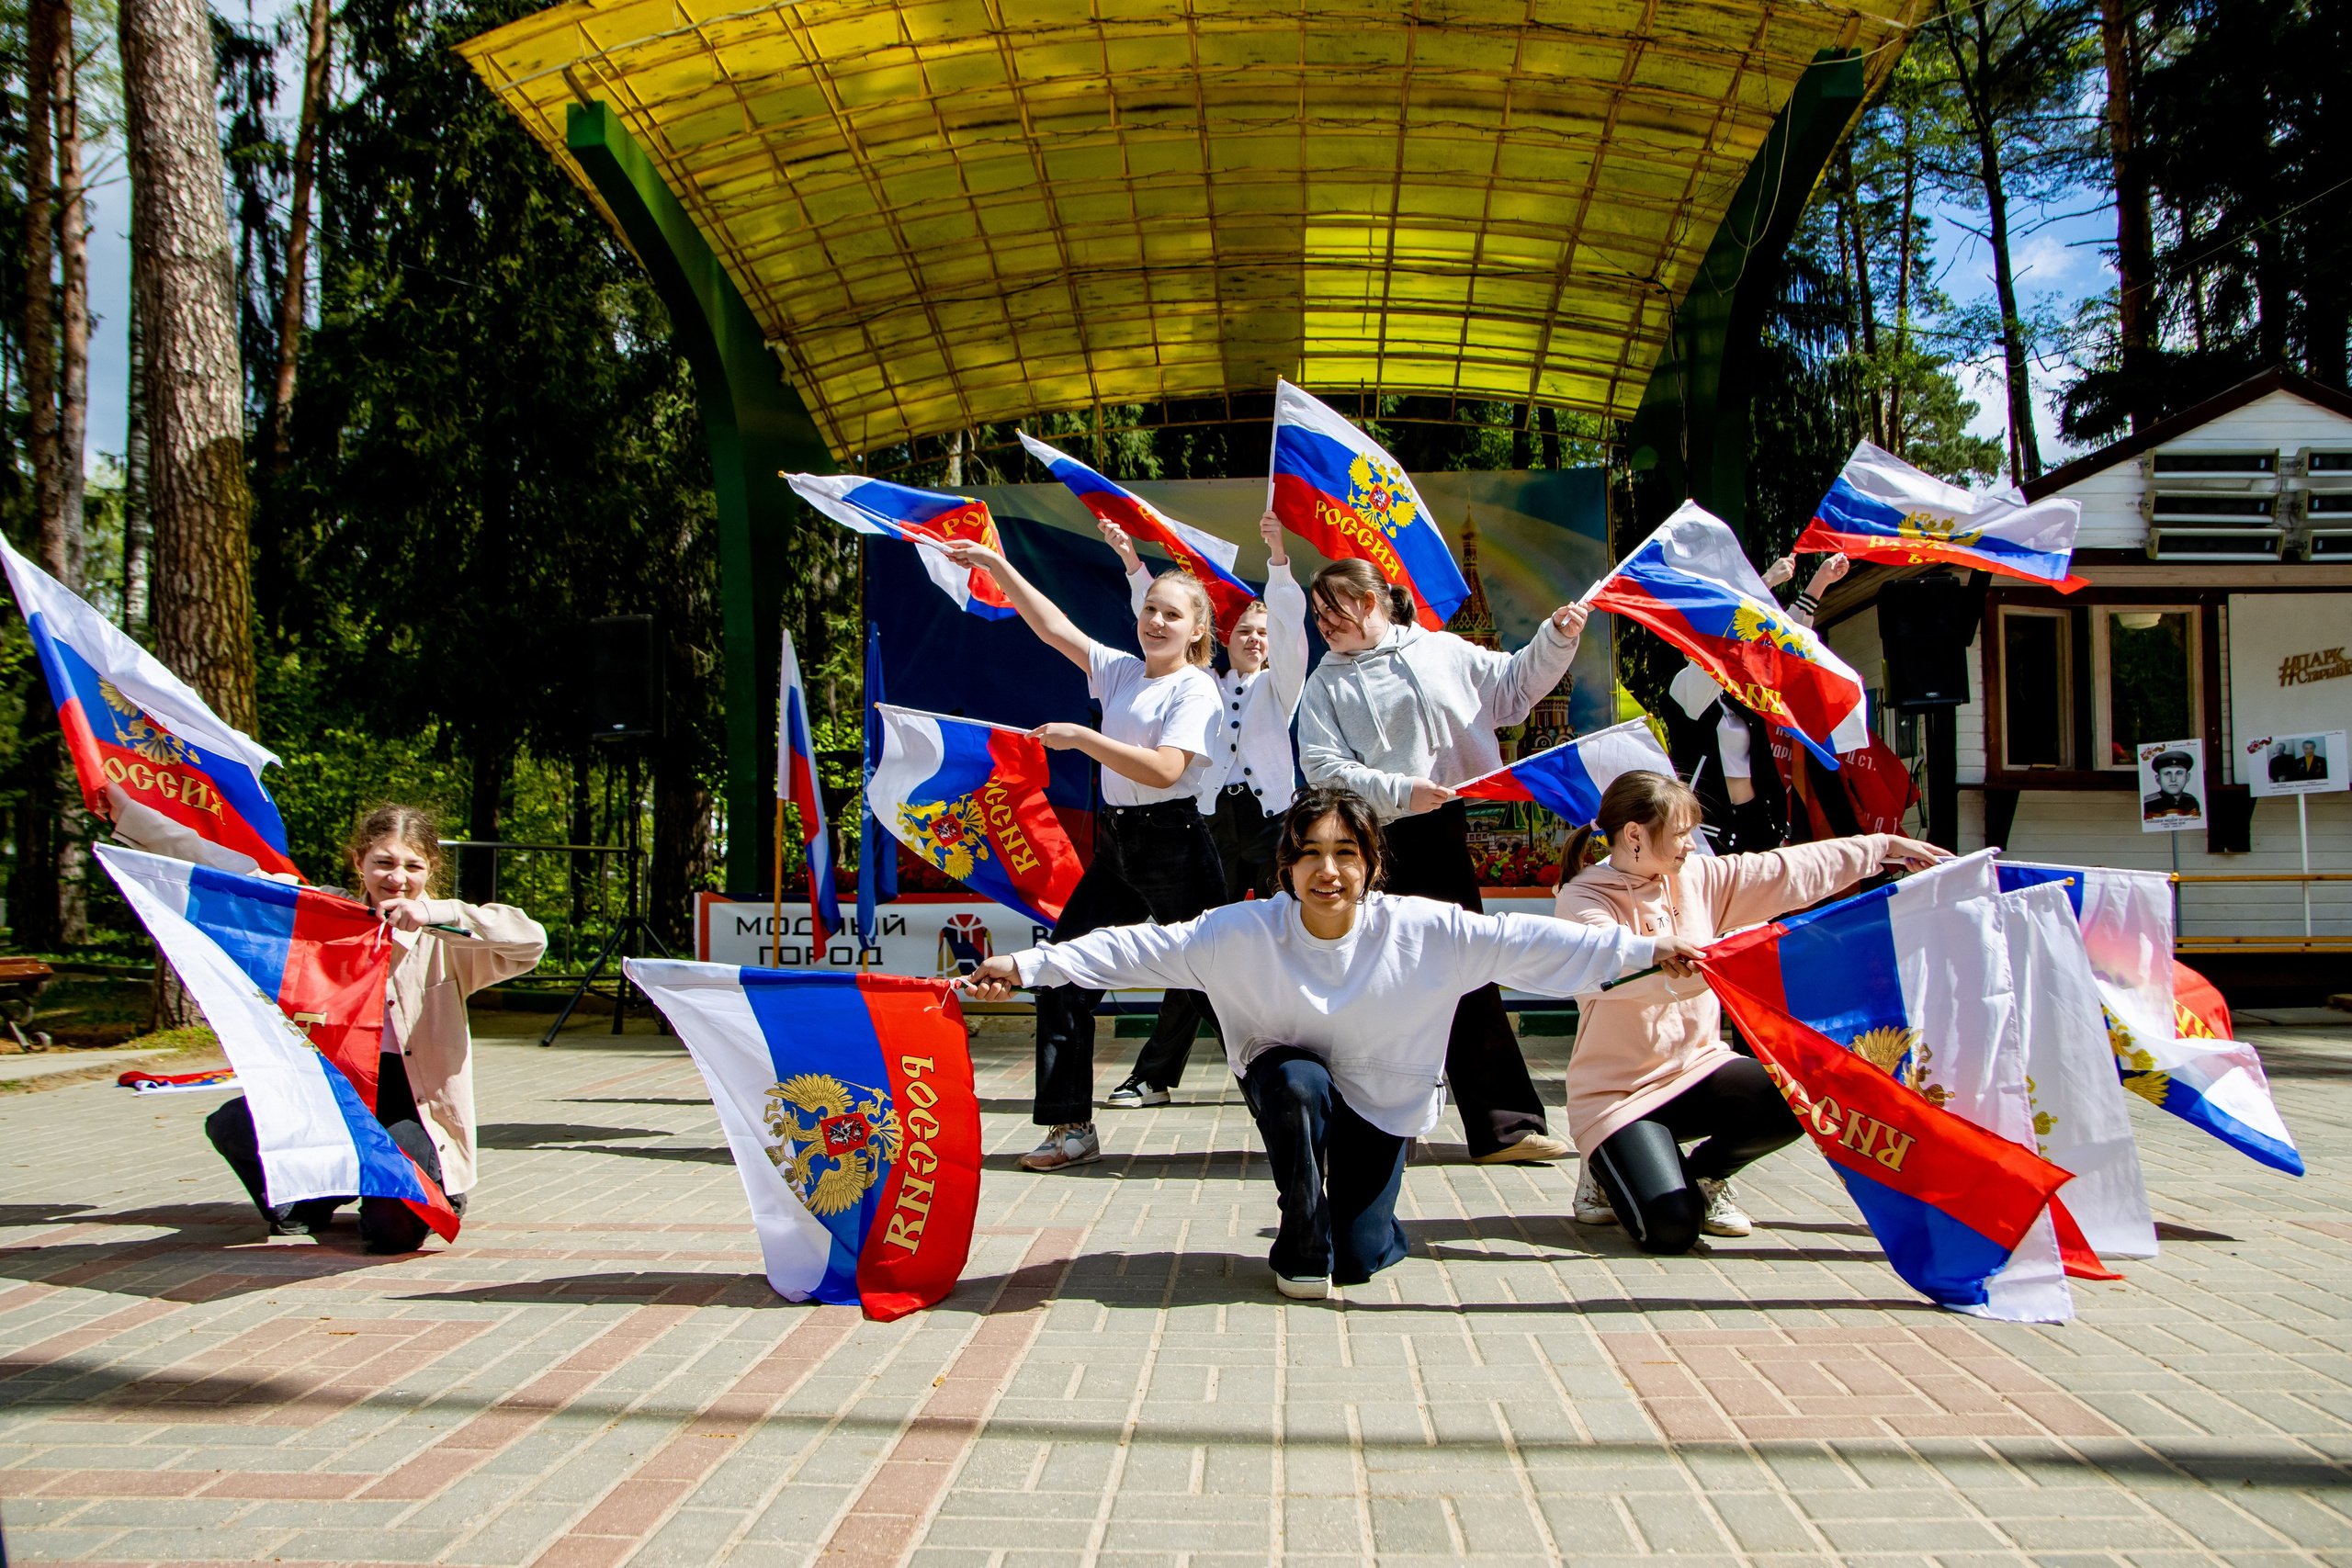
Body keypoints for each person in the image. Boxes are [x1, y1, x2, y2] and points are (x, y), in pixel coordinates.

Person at [956, 786, 1698, 1296]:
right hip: (1292, 1092)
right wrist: (1023, 965)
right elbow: (1127, 950)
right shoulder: (1239, 933)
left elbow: (1529, 943)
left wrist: (1644, 951)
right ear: (1286, 869)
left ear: (1373, 864)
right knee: (1295, 1082)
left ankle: (1360, 1225)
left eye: (1347, 852)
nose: (1328, 869)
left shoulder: (1423, 930)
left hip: (1384, 1100)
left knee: (1363, 1258)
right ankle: (1299, 1226)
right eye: (1310, 853)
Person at [1554, 771, 1949, 1254]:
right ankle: (1604, 1165)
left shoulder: (1697, 878)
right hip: (1616, 1094)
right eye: (1680, 833)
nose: (1690, 847)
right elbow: (1608, 961)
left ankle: (1705, 1175)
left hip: (1699, 1068)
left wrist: (1879, 848)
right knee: (1672, 1231)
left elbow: (1784, 869)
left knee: (1800, 1094)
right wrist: (1658, 951)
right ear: (1634, 833)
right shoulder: (1582, 898)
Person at [940, 534, 1226, 1171]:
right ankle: (1070, 1128)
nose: (1156, 621)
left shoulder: (1197, 689)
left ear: (1197, 628)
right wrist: (996, 564)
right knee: (1059, 972)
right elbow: (1052, 627)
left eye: (1172, 614)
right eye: (1150, 608)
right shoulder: (1122, 670)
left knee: (1224, 989)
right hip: (1117, 846)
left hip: (1174, 845)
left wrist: (1084, 739)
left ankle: (1300, 1111)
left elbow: (1163, 769)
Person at [1295, 558, 1583, 1164]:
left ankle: (1504, 1128)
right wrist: (1400, 791)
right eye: (1317, 613)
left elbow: (1512, 689)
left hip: (1439, 833)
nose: (1323, 623)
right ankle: (1350, 1127)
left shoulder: (1441, 652)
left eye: (1334, 609)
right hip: (1369, 839)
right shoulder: (1324, 684)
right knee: (1364, 975)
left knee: (1465, 965)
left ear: (1370, 602)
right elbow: (1322, 767)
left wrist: (1556, 636)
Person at [201, 806, 548, 1251]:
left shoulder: (445, 938)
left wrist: (437, 914)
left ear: (431, 869)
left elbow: (530, 940)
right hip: (340, 1098)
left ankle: (432, 1189)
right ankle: (310, 1199)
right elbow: (226, 871)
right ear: (358, 861)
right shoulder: (322, 914)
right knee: (234, 1123)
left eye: (412, 866)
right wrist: (130, 816)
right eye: (383, 862)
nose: (396, 877)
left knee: (390, 1235)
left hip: (410, 1107)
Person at [1101, 507, 1309, 1109]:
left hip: (1274, 827)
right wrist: (1131, 562)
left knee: (1295, 942)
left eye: (1262, 633)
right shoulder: (1202, 684)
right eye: (1243, 630)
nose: (1252, 639)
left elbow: (1291, 623)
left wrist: (1277, 557)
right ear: (1224, 637)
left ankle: (1308, 1066)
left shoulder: (1281, 687)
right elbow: (1161, 611)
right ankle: (1154, 1075)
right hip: (1212, 823)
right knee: (1197, 947)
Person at [2143, 750, 2200, 820]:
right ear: (2158, 779)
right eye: (2167, 774)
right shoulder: (2148, 804)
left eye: (2179, 773)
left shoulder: (2191, 802)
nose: (2173, 779)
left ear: (2187, 777)